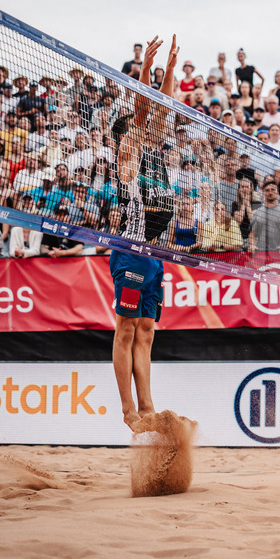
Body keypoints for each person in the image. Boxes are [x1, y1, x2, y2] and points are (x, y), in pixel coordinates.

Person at [109, 35, 174, 430]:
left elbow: (162, 110)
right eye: (138, 127)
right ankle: (128, 409)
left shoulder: (153, 150)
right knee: (126, 328)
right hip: (130, 252)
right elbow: (144, 109)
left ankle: (148, 404)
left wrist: (167, 67)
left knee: (147, 331)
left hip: (154, 256)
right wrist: (147, 70)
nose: (145, 129)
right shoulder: (127, 156)